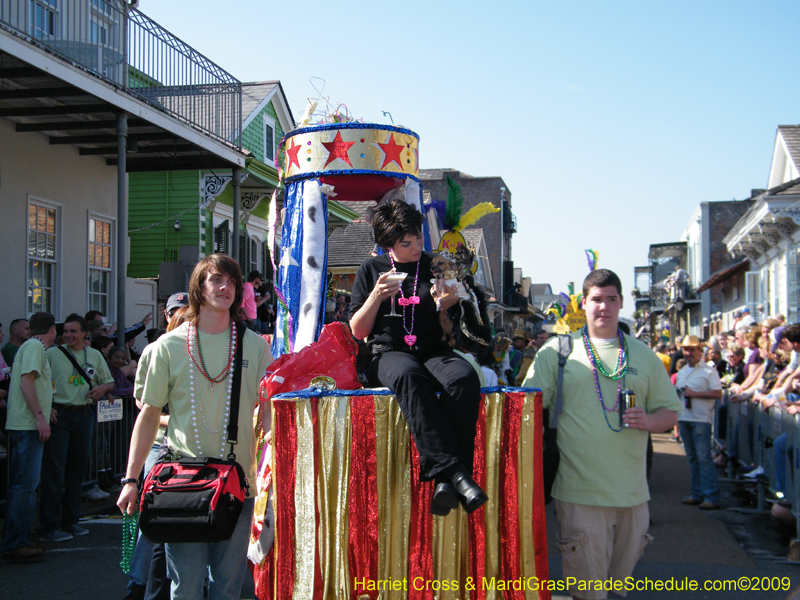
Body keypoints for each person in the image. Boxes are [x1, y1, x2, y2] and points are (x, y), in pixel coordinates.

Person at [118, 255, 273, 600]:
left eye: (232, 282)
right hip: (182, 487)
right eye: (217, 280)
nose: (225, 288)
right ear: (198, 288)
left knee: (227, 587)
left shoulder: (256, 345)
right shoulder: (167, 347)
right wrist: (131, 480)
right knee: (185, 586)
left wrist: (273, 465)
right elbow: (147, 416)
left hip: (239, 487)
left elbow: (269, 413)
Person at [524, 269, 680, 600]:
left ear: (621, 302)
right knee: (588, 592)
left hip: (633, 496)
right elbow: (528, 409)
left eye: (611, 299)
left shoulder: (643, 355)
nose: (604, 307)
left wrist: (648, 421)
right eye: (596, 299)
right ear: (584, 303)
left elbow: (669, 414)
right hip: (580, 494)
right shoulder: (557, 352)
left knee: (615, 589)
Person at [349, 199, 486, 517]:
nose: (415, 247)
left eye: (418, 239)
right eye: (405, 243)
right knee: (410, 377)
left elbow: (458, 328)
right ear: (388, 245)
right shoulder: (372, 269)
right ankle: (457, 474)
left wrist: (448, 306)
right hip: (388, 353)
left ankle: (446, 481)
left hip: (434, 350)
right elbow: (358, 331)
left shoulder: (437, 265)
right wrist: (375, 297)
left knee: (464, 377)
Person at [40, 314, 115, 542]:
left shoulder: (94, 355)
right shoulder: (52, 354)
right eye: (66, 331)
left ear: (85, 333)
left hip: (83, 415)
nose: (69, 335)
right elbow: (39, 383)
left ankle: (71, 521)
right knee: (54, 472)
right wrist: (47, 408)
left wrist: (102, 389)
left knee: (76, 471)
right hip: (59, 416)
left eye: (74, 331)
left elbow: (109, 381)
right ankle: (50, 526)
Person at [0, 312, 56, 560]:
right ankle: (15, 543)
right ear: (52, 330)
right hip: (27, 426)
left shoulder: (29, 346)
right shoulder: (35, 346)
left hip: (24, 424)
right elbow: (26, 383)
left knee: (22, 486)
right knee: (25, 487)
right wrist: (40, 417)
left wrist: (45, 410)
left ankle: (16, 539)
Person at [676, 335, 723, 510]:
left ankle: (711, 496)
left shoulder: (709, 371)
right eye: (687, 349)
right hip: (684, 418)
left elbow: (718, 393)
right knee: (693, 459)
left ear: (699, 351)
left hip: (701, 419)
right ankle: (697, 494)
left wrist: (694, 394)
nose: (689, 353)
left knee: (704, 458)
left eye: (692, 350)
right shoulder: (681, 372)